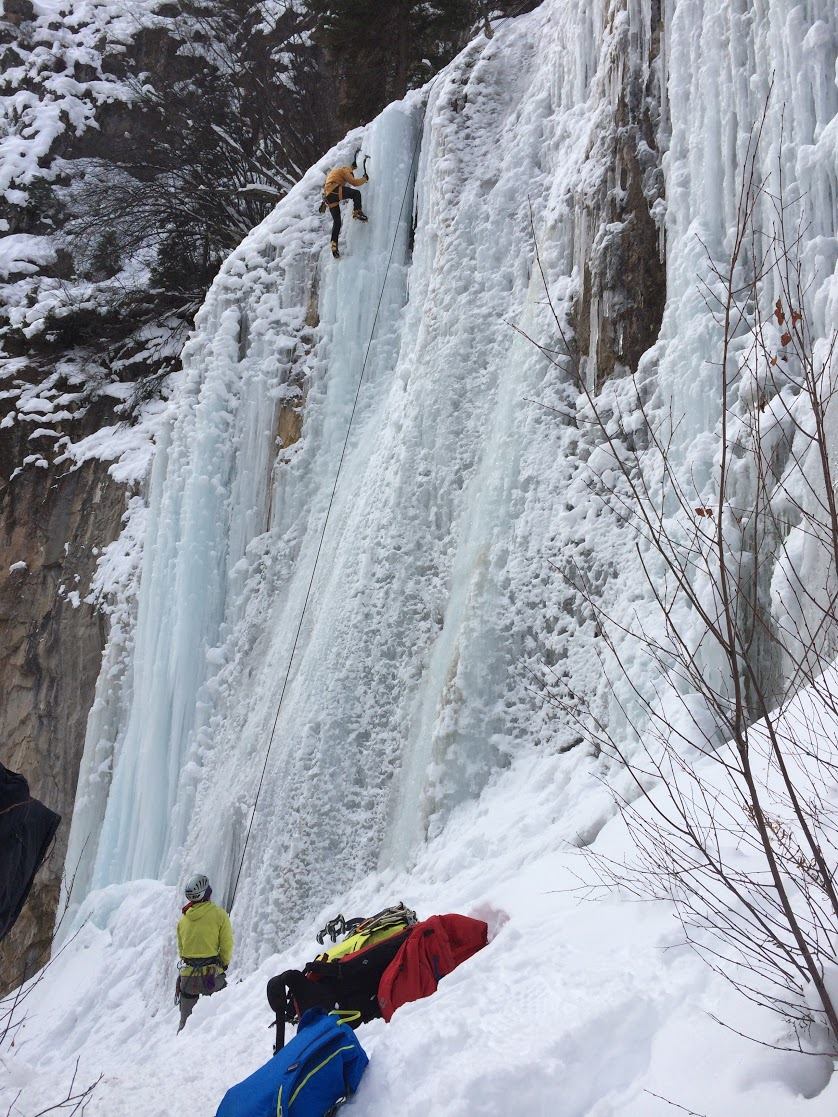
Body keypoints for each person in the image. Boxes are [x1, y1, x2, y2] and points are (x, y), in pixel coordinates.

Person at [175, 873, 233, 1032]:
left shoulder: (182, 920)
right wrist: (224, 963)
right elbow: (227, 944)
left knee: (185, 1024)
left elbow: (182, 951)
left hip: (187, 979)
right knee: (221, 1014)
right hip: (211, 977)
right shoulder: (219, 914)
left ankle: (179, 1049)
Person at [322, 163, 369, 258]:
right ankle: (357, 212)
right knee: (356, 193)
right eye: (351, 174)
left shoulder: (336, 172)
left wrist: (352, 167)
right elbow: (354, 182)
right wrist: (364, 179)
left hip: (328, 197)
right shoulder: (345, 171)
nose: (350, 177)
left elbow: (349, 169)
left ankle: (334, 245)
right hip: (334, 190)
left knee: (337, 222)